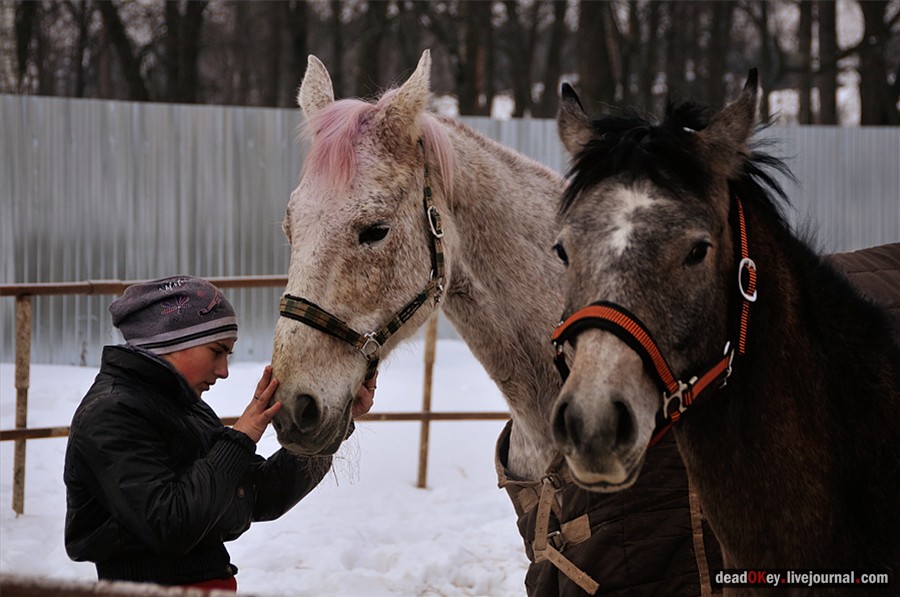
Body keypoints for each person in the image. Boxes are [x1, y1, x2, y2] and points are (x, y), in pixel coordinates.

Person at [63, 275, 376, 590]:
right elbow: (170, 525)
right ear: (171, 341)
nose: (224, 371)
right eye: (216, 351)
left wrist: (332, 422)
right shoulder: (112, 414)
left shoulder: (184, 408)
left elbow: (262, 496)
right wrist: (239, 438)